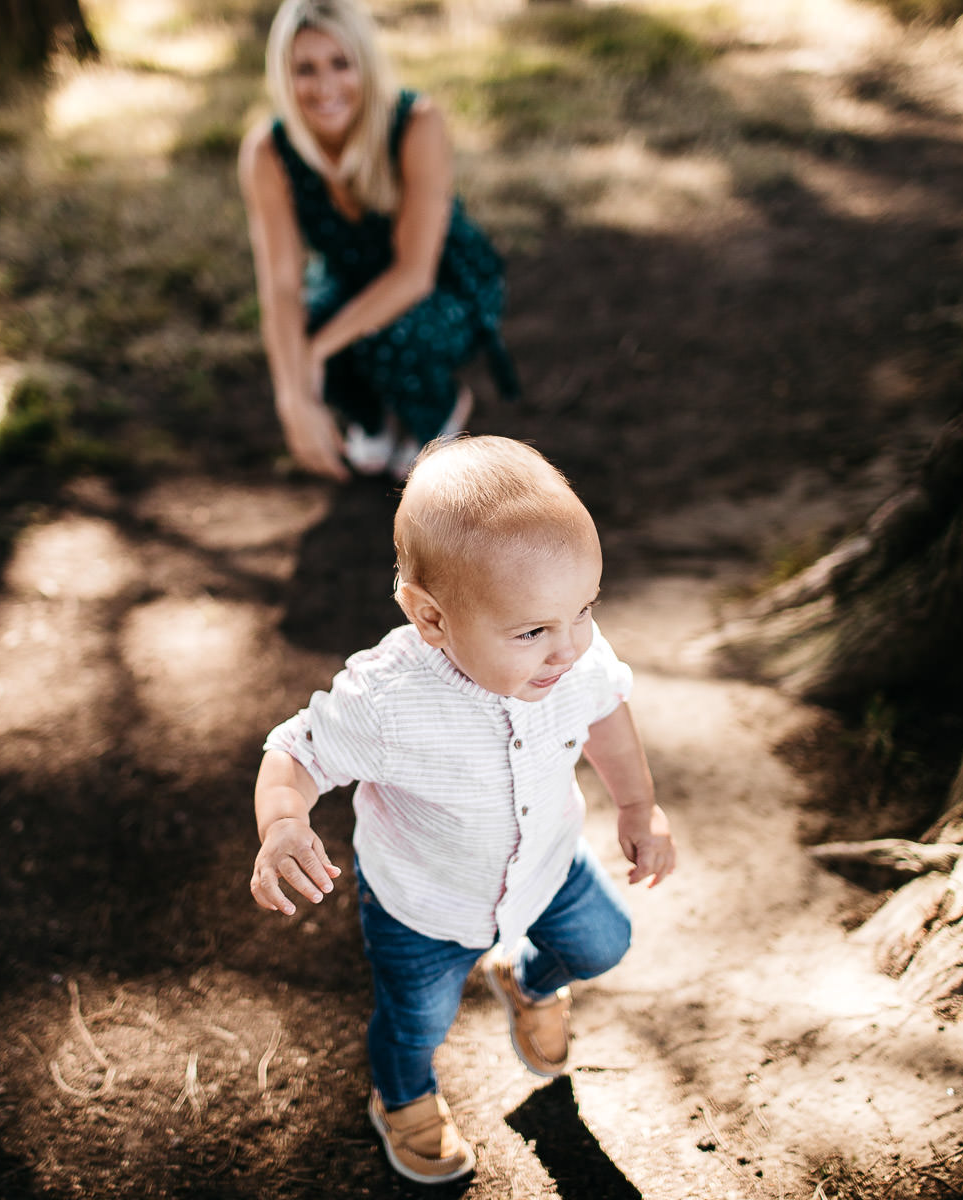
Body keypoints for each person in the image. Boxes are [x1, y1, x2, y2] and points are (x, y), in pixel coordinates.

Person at [249, 436, 677, 1184]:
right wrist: (284, 822)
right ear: (431, 618)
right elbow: (295, 751)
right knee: (416, 1023)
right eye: (533, 630)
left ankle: (531, 980)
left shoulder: (575, 656)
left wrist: (637, 803)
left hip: (548, 866)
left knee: (604, 943)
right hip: (424, 906)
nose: (569, 647)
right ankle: (402, 1096)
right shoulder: (388, 700)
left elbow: (605, 709)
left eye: (584, 610)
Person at [240, 0, 518, 484]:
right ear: (284, 76)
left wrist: (318, 351)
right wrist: (293, 397)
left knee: (390, 336)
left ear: (365, 64)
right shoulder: (269, 151)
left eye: (340, 63)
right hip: (347, 277)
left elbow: (414, 274)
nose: (325, 87)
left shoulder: (415, 123)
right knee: (304, 324)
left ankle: (439, 413)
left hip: (442, 282)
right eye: (305, 69)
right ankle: (376, 418)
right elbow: (280, 283)